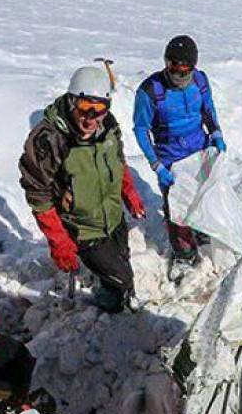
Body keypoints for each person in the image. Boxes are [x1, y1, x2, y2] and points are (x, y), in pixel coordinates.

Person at [20, 66, 146, 313]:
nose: (90, 118)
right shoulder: (50, 139)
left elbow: (117, 160)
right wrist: (60, 242)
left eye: (98, 109)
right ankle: (109, 307)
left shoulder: (108, 126)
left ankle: (112, 296)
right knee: (122, 279)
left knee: (121, 262)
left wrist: (128, 192)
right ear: (71, 101)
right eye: (84, 108)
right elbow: (39, 197)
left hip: (112, 216)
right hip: (83, 227)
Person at [133, 35, 225, 265]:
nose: (178, 75)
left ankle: (203, 231)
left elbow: (208, 111)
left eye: (184, 70)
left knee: (204, 194)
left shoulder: (200, 82)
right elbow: (141, 129)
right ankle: (184, 255)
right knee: (178, 207)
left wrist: (216, 134)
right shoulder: (150, 91)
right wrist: (156, 164)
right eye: (173, 67)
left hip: (199, 149)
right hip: (170, 155)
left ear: (193, 67)